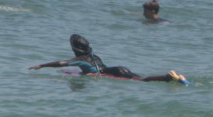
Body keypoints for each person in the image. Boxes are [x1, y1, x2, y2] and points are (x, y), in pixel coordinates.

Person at [28, 33, 185, 82]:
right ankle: (169, 77)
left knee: (142, 81)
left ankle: (167, 77)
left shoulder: (80, 59)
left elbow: (62, 63)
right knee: (141, 79)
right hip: (118, 68)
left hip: (115, 73)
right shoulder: (92, 55)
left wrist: (41, 66)